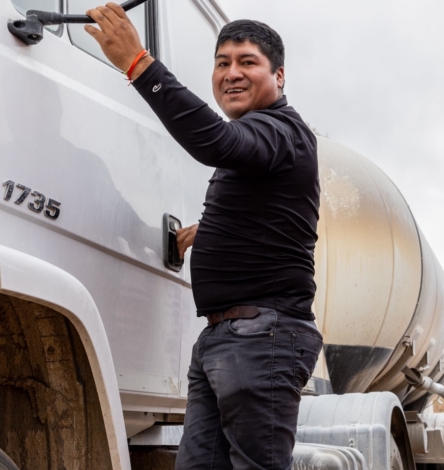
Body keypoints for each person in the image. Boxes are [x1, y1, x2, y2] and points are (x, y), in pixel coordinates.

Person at [85, 5, 323, 469]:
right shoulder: (264, 142)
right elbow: (272, 212)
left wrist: (139, 64)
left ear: (279, 76)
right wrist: (211, 230)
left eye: (247, 62)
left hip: (261, 338)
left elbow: (217, 142)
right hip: (227, 338)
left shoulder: (281, 130)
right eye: (222, 62)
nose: (231, 73)